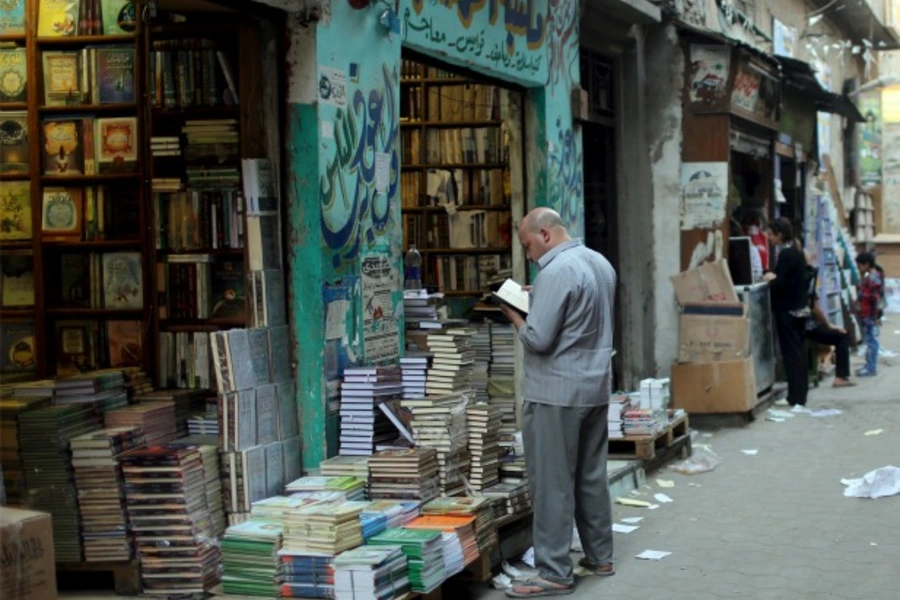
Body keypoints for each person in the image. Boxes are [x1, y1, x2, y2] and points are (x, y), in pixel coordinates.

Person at [498, 207, 617, 598]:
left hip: (555, 392)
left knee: (552, 482)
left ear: (545, 235)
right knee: (590, 475)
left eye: (528, 245)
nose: (528, 255)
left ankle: (553, 571)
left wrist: (514, 314)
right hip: (595, 386)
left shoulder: (555, 271)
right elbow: (579, 316)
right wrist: (541, 296)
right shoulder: (599, 263)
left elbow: (539, 339)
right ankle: (600, 556)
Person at [763, 217, 811, 406]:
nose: (768, 237)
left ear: (779, 235)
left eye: (771, 233)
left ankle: (795, 397)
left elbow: (781, 283)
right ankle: (799, 395)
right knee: (797, 352)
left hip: (789, 310)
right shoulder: (795, 252)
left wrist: (770, 279)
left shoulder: (787, 254)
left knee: (792, 354)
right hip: (798, 309)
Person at [855, 252, 883, 377]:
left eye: (860, 265)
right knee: (869, 340)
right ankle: (869, 365)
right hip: (867, 314)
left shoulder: (873, 278)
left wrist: (874, 316)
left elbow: (874, 298)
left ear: (866, 264)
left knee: (871, 341)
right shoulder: (869, 277)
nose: (858, 268)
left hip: (869, 315)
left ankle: (871, 368)